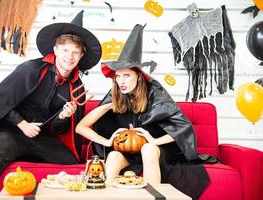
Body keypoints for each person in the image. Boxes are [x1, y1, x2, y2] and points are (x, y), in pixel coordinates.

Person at [0, 10, 101, 200]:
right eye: (65, 50)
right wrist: (22, 124)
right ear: (55, 50)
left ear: (81, 56)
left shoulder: (76, 86)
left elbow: (58, 130)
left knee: (70, 162)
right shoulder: (31, 69)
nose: (70, 57)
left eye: (75, 52)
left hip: (40, 139)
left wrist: (63, 117)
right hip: (10, 132)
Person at [76, 24, 212, 199]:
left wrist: (153, 140)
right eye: (118, 76)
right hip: (129, 152)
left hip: (157, 151)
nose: (121, 81)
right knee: (114, 157)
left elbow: (184, 128)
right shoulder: (116, 94)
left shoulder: (155, 92)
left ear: (138, 76)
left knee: (147, 148)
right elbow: (81, 127)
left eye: (126, 75)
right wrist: (108, 141)